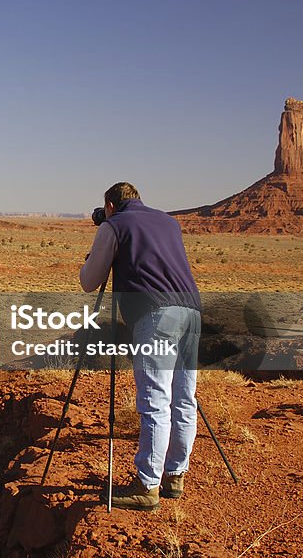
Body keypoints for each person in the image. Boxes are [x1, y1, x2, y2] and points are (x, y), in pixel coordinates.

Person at [79, 182, 201, 511]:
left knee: (154, 403)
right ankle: (175, 476)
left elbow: (89, 281)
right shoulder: (168, 221)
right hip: (191, 313)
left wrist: (93, 255)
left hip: (155, 317)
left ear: (109, 205)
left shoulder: (114, 225)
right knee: (184, 399)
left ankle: (147, 486)